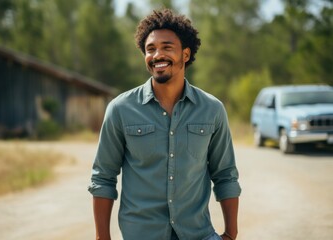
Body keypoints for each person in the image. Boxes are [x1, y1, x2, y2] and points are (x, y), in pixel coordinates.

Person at [88, 8, 241, 240]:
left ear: (186, 54)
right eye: (150, 49)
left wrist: (231, 233)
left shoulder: (212, 110)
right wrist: (102, 237)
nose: (157, 55)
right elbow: (103, 177)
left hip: (198, 234)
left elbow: (225, 175)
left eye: (167, 47)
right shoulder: (120, 109)